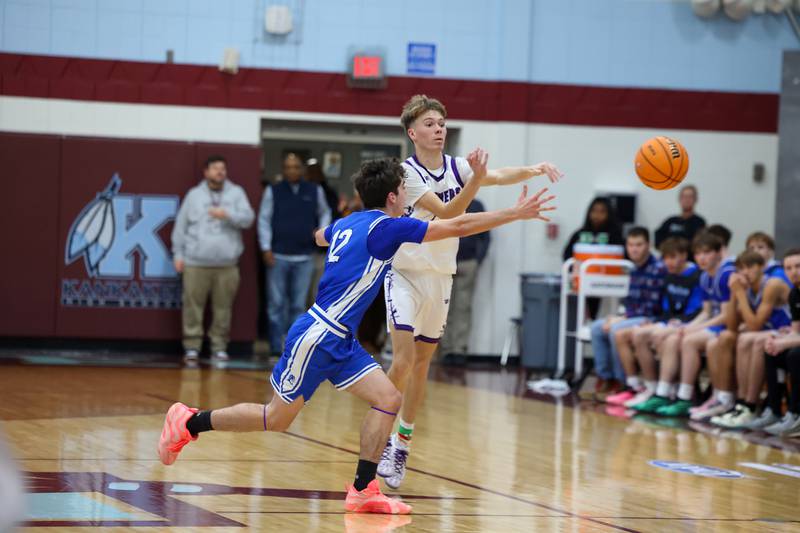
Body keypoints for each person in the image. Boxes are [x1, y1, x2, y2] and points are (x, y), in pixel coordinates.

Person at [157, 156, 556, 515]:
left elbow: (319, 236)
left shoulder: (348, 224)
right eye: (404, 190)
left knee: (388, 398)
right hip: (316, 336)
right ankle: (189, 422)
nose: (407, 195)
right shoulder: (386, 228)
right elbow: (456, 225)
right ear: (393, 196)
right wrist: (514, 213)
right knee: (275, 419)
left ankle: (364, 488)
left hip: (341, 339)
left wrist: (331, 231)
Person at [378, 94, 563, 490]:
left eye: (442, 123)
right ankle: (380, 436)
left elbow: (498, 175)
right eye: (430, 123)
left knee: (423, 364)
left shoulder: (457, 167)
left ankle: (402, 444)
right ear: (413, 132)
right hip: (406, 274)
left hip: (441, 276)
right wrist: (476, 180)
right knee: (403, 360)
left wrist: (535, 168)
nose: (439, 129)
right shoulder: (405, 174)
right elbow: (449, 214)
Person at [171, 155, 255, 362]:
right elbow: (180, 227)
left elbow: (248, 219)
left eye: (223, 169)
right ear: (206, 172)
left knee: (223, 308)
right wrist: (178, 254)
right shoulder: (194, 195)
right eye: (216, 169)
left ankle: (219, 346)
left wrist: (227, 214)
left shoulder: (236, 193)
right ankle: (192, 346)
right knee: (192, 306)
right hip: (195, 263)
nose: (220, 172)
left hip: (226, 265)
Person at [647, 232, 735, 418]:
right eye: (698, 253)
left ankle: (687, 396)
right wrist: (689, 327)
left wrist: (693, 328)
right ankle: (667, 392)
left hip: (728, 326)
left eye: (707, 253)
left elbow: (726, 316)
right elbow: (706, 312)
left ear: (719, 253)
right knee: (677, 337)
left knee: (689, 341)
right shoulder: (704, 277)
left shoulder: (725, 275)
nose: (702, 258)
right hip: (714, 324)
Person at [610, 237, 702, 408]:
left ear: (683, 256)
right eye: (666, 257)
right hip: (668, 322)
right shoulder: (669, 275)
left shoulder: (696, 276)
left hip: (687, 324)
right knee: (625, 334)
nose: (669, 262)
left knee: (656, 337)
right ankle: (641, 386)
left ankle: (663, 390)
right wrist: (661, 322)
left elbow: (697, 309)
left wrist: (677, 323)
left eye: (673, 257)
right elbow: (666, 307)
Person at [258, 153, 332, 355]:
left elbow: (325, 212)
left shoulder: (314, 190)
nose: (292, 171)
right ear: (283, 169)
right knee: (276, 304)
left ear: (302, 170)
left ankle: (293, 347)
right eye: (288, 167)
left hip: (305, 256)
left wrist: (320, 231)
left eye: (296, 167)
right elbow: (264, 219)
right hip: (278, 255)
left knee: (298, 305)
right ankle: (275, 347)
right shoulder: (273, 191)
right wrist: (265, 247)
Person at [708, 250, 792, 428]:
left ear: (761, 267)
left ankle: (751, 405)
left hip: (789, 331)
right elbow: (731, 326)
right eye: (741, 269)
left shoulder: (772, 284)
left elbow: (755, 325)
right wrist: (733, 294)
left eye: (750, 267)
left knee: (750, 339)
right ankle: (741, 403)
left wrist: (739, 294)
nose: (745, 272)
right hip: (771, 332)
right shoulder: (746, 289)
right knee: (742, 338)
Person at [589, 227, 666, 401]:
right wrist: (619, 315)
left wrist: (622, 318)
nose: (634, 249)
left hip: (651, 318)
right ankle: (605, 378)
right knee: (596, 328)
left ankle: (621, 381)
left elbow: (651, 307)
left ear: (648, 245)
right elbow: (630, 302)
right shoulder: (633, 268)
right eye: (631, 245)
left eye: (639, 244)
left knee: (616, 330)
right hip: (634, 315)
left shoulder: (657, 269)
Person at [439, 199, 491, 359]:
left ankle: (459, 349)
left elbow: (485, 236)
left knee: (463, 306)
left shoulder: (477, 205)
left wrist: (477, 260)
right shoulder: (444, 202)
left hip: (468, 262)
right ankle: (447, 349)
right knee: (444, 307)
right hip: (446, 263)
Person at [562, 197, 625, 319]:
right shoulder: (579, 234)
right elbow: (566, 255)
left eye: (602, 211)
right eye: (594, 211)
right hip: (582, 283)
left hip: (606, 285)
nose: (597, 215)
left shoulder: (616, 236)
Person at [760, 248, 800, 436]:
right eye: (789, 268)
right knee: (773, 351)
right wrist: (780, 340)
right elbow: (796, 332)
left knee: (794, 355)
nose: (794, 271)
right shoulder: (794, 294)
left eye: (798, 266)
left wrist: (786, 343)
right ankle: (774, 411)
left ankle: (795, 413)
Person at [654, 185, 706, 250]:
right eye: (684, 196)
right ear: (679, 199)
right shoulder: (670, 221)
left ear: (696, 199)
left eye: (690, 197)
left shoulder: (700, 222)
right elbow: (658, 239)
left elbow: (699, 244)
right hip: (668, 257)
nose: (687, 200)